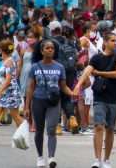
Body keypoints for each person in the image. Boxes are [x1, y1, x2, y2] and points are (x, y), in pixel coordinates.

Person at [74, 32, 116, 168]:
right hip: (100, 96)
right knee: (98, 126)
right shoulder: (97, 58)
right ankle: (97, 159)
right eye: (112, 40)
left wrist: (99, 73)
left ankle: (107, 159)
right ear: (105, 42)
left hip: (115, 96)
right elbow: (87, 71)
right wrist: (78, 85)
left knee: (110, 128)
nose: (115, 43)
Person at [24, 39, 74, 168]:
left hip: (54, 102)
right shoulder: (35, 67)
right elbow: (30, 87)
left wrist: (72, 93)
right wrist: (26, 106)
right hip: (38, 101)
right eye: (47, 48)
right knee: (39, 130)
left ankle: (51, 157)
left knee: (51, 129)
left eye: (52, 48)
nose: (50, 50)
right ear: (41, 51)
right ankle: (40, 157)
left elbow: (63, 86)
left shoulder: (59, 67)